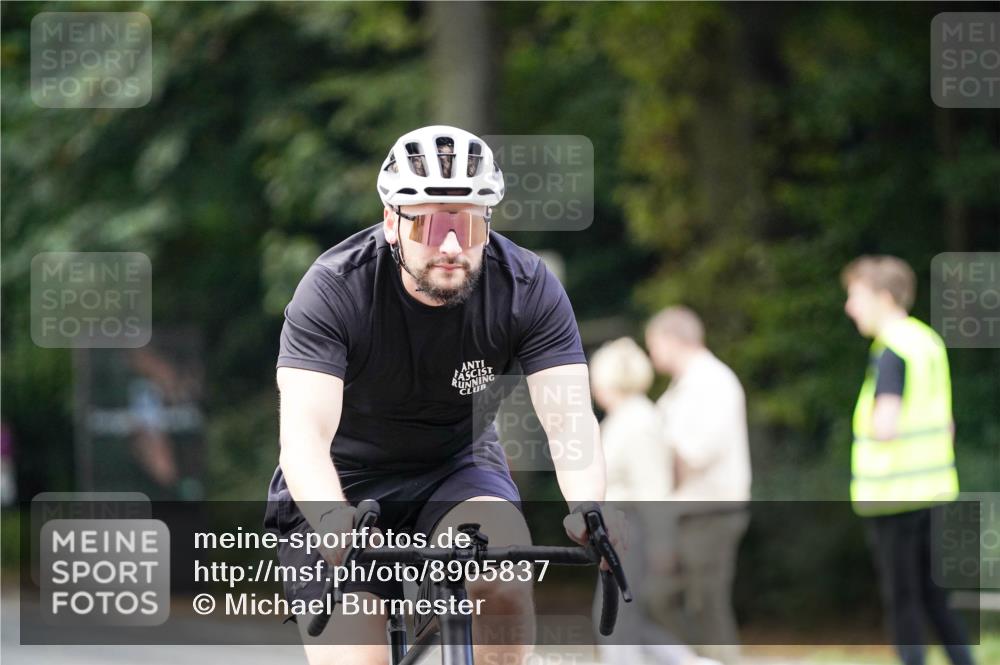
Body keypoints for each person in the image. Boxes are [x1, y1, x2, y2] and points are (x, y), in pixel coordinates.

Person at [263, 125, 625, 665]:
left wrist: (587, 505)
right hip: (341, 480)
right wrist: (331, 520)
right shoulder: (335, 287)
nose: (452, 245)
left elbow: (569, 419)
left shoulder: (527, 287)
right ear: (393, 221)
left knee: (503, 580)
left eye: (470, 224)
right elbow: (304, 435)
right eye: (433, 224)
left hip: (456, 465)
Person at [841, 255, 974, 665]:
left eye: (856, 297)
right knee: (938, 599)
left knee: (903, 603)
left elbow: (885, 424)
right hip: (935, 491)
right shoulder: (927, 341)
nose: (850, 307)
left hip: (894, 498)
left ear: (883, 298)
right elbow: (946, 422)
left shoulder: (890, 351)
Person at [589, 337, 719, 665]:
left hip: (632, 532)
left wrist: (663, 543)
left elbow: (653, 490)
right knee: (620, 622)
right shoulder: (622, 419)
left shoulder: (638, 422)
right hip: (618, 533)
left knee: (615, 621)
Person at [644, 306, 751, 665]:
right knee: (661, 599)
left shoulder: (712, 382)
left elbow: (692, 453)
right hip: (686, 513)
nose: (653, 354)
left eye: (654, 345)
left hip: (711, 513)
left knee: (707, 604)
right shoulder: (684, 385)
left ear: (673, 340)